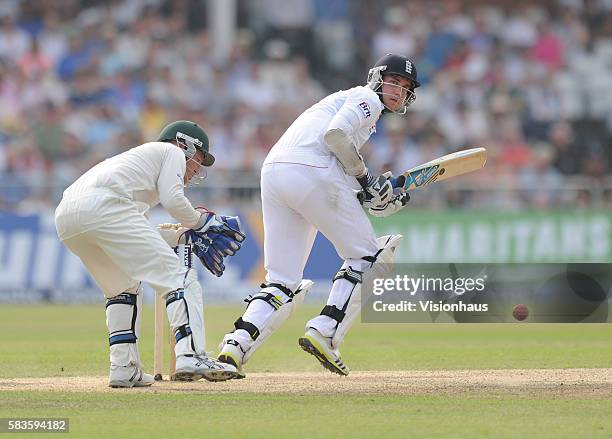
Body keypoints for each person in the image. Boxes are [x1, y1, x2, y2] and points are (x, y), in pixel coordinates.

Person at [217, 54, 419, 377]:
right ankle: (325, 331)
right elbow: (335, 136)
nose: (398, 90)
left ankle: (233, 347)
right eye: (394, 81)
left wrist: (371, 195)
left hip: (275, 173)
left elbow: (333, 168)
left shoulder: (343, 102)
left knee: (281, 280)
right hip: (310, 172)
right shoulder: (366, 98)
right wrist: (368, 182)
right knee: (371, 256)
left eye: (405, 86)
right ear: (378, 78)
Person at [55, 120, 244, 387]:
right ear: (184, 145)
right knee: (175, 276)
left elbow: (137, 228)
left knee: (123, 288)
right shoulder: (173, 153)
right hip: (105, 208)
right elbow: (174, 200)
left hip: (67, 217)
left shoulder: (135, 165)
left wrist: (181, 233)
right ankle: (190, 355)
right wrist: (202, 223)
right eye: (198, 160)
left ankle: (123, 368)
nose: (196, 170)